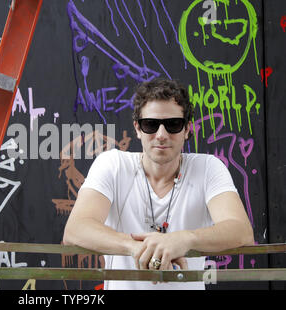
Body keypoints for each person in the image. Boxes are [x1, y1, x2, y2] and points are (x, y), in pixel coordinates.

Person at [62, 78, 254, 290]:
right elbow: (75, 230)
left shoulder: (208, 168)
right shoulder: (113, 164)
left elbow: (241, 232)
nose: (161, 135)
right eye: (151, 125)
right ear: (138, 128)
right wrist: (135, 247)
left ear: (187, 129)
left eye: (173, 124)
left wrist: (183, 240)